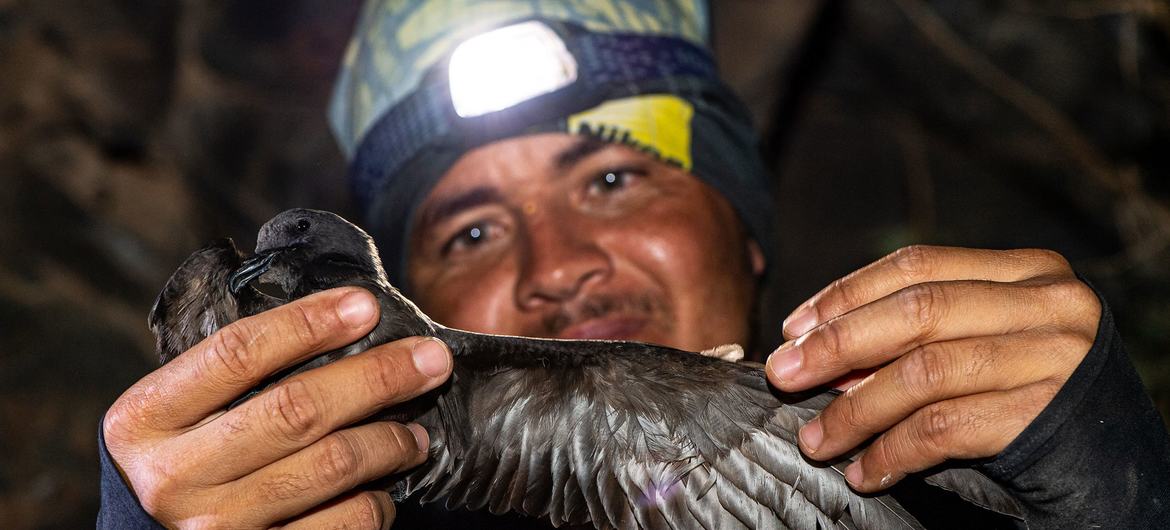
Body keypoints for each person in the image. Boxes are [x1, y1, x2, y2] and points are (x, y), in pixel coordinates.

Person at [98, 1, 1170, 528]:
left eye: (615, 180)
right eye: (469, 231)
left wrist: (1128, 502)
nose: (558, 264)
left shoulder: (957, 471)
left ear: (748, 231)